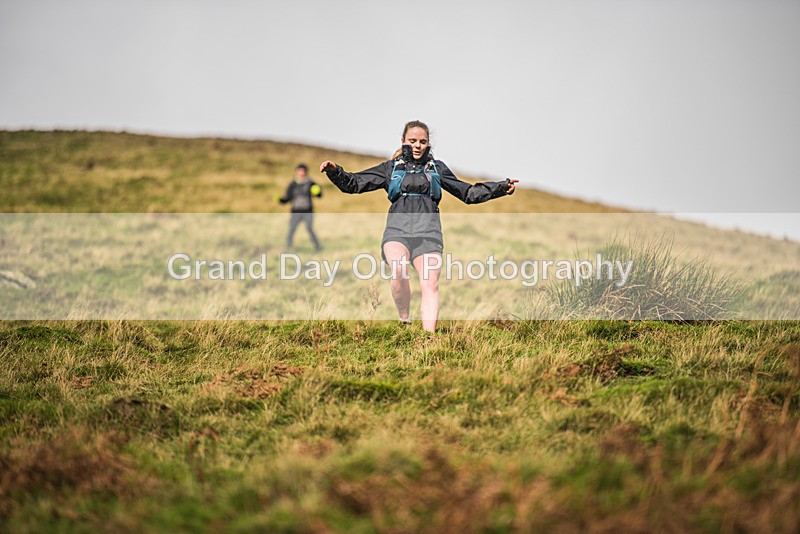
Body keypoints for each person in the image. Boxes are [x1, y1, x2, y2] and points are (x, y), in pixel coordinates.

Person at [320, 120, 518, 332]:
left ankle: (428, 337)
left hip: (429, 235)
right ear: (403, 141)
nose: (417, 145)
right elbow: (354, 184)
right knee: (399, 270)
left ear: (428, 144)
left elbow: (468, 193)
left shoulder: (437, 168)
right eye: (412, 140)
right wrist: (335, 171)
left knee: (430, 284)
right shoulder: (390, 168)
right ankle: (405, 320)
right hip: (397, 232)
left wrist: (499, 188)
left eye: (422, 142)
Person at [277, 163, 323, 251]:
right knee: (291, 230)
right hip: (295, 211)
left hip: (308, 211)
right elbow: (288, 197)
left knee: (310, 229)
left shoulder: (311, 183)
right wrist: (281, 200)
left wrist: (318, 192)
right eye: (299, 171)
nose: (301, 173)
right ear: (296, 172)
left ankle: (318, 248)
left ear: (306, 172)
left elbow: (319, 194)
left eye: (303, 171)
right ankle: (288, 248)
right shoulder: (292, 184)